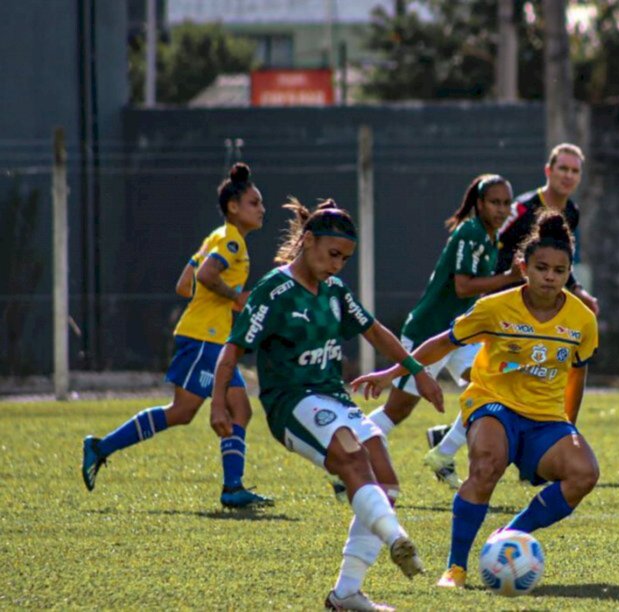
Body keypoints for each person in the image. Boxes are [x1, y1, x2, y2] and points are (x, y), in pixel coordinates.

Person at [211, 198, 442, 610]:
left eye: (345, 259)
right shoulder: (274, 291)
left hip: (334, 397)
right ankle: (397, 539)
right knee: (352, 461)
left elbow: (375, 332)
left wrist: (416, 370)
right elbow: (231, 352)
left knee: (386, 481)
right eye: (333, 255)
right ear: (308, 241)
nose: (338, 265)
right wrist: (217, 406)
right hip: (291, 402)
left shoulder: (335, 290)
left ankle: (346, 594)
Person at [352, 211, 600, 589]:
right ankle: (456, 568)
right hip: (492, 403)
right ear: (523, 267)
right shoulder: (495, 307)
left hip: (546, 419)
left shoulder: (582, 319)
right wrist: (391, 374)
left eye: (560, 270)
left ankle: (508, 537)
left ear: (569, 273)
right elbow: (442, 342)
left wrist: (570, 424)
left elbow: (577, 373)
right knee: (487, 464)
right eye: (542, 267)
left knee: (585, 473)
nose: (550, 276)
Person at [81, 162, 272, 508]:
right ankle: (100, 446)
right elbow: (204, 278)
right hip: (204, 338)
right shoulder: (232, 243)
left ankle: (233, 487)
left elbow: (184, 284)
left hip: (206, 336)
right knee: (187, 410)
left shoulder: (216, 237)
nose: (262, 209)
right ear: (233, 207)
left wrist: (215, 298)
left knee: (235, 409)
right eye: (254, 203)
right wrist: (235, 298)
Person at [423, 143, 599, 472]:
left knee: (511, 382)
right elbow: (490, 243)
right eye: (563, 168)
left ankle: (448, 443)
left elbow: (561, 263)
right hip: (505, 307)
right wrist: (496, 284)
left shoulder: (570, 212)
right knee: (498, 383)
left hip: (539, 309)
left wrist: (579, 292)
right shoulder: (521, 208)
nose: (568, 176)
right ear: (549, 171)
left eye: (575, 171)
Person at [359, 175, 524, 491]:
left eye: (506, 203)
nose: (502, 209)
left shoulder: (489, 238)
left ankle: (443, 452)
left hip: (459, 334)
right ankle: (347, 454)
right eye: (495, 202)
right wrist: (509, 278)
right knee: (398, 410)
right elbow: (463, 287)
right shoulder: (471, 232)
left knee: (490, 389)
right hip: (429, 333)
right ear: (479, 204)